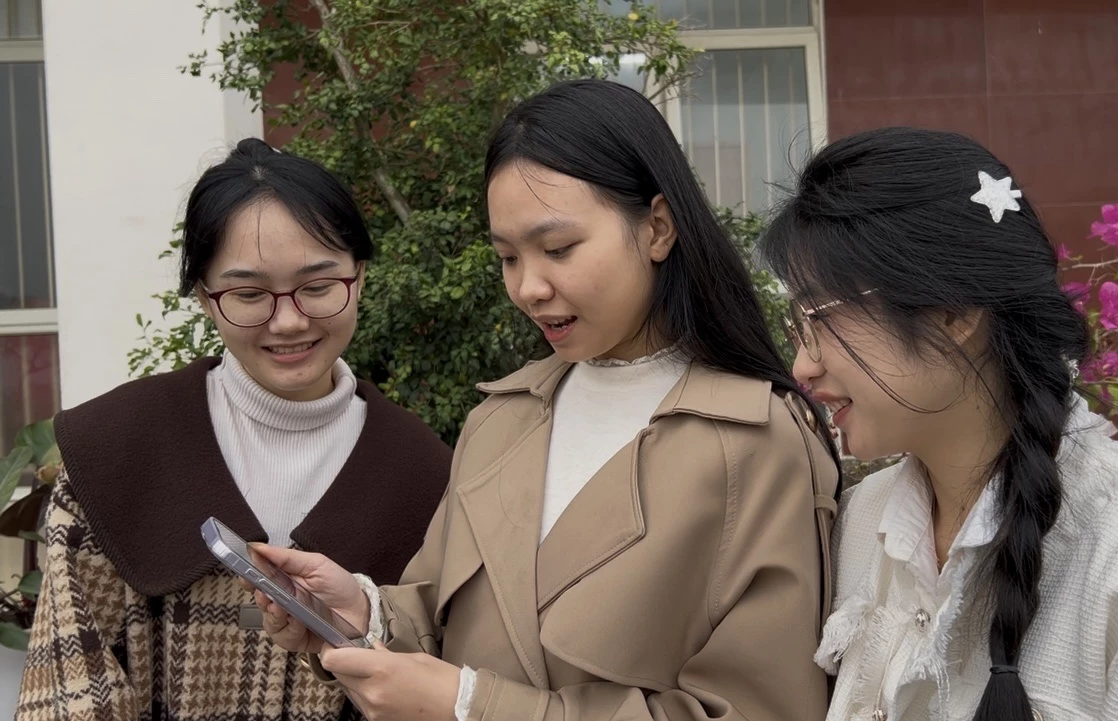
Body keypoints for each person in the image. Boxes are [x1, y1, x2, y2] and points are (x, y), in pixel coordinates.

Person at [252, 78, 841, 721]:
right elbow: (446, 621)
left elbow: (759, 709)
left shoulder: (758, 441)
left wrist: (475, 708)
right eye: (508, 257)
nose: (529, 287)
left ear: (658, 228)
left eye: (558, 249)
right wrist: (364, 615)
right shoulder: (501, 418)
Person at [762, 126, 1118, 721]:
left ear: (953, 311)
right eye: (795, 326)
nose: (801, 366)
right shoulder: (859, 524)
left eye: (819, 319)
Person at [16, 138, 454, 721]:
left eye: (318, 286)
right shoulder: (115, 448)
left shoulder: (426, 473)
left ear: (360, 278)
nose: (289, 321)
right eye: (248, 294)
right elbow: (67, 690)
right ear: (205, 296)